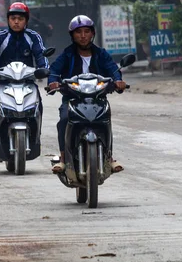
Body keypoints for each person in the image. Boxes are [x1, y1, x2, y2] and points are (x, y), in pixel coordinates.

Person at [48, 15, 126, 174]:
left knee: (105, 121)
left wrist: (118, 81)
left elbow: (113, 69)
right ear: (72, 35)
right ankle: (63, 159)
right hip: (72, 99)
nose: (83, 36)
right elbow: (54, 70)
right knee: (64, 120)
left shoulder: (101, 54)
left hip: (98, 99)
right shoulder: (67, 54)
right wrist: (53, 82)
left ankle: (108, 157)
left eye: (86, 31)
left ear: (92, 34)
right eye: (78, 32)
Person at [0, 2, 49, 111]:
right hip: (3, 80)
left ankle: (36, 127)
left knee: (38, 105)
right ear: (8, 20)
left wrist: (44, 68)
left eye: (20, 18)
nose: (16, 22)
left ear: (26, 21)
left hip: (27, 81)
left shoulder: (33, 37)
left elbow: (41, 54)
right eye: (13, 18)